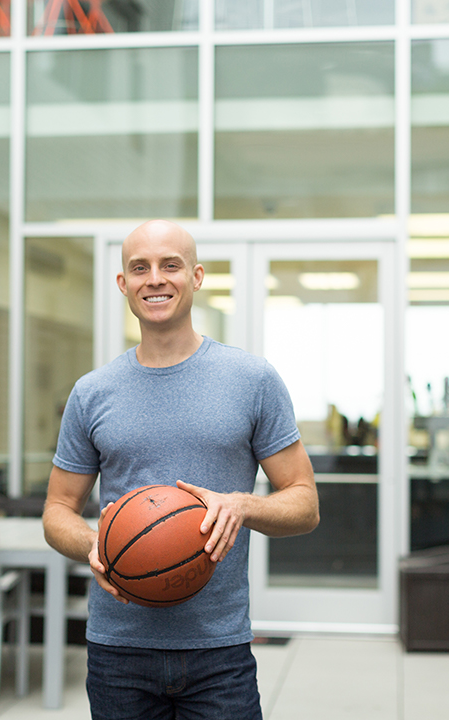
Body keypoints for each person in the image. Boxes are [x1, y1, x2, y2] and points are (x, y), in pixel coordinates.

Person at [42, 219, 320, 720]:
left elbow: (304, 501)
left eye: (170, 265)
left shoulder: (252, 379)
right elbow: (57, 509)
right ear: (123, 284)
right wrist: (95, 545)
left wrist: (243, 505)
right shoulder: (91, 393)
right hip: (118, 649)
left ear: (196, 277)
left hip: (219, 651)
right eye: (139, 268)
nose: (156, 279)